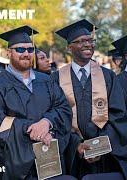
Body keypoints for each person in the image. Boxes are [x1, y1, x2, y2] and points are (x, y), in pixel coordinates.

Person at [0, 25, 73, 179]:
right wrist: (33, 130)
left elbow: (63, 108)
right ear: (8, 52)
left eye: (30, 49)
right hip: (14, 165)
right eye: (20, 50)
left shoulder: (46, 80)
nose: (26, 54)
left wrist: (47, 122)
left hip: (48, 161)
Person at [53, 19, 127, 179]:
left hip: (105, 154)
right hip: (71, 153)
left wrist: (100, 146)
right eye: (80, 41)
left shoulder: (108, 76)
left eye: (90, 40)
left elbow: (118, 114)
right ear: (69, 47)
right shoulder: (56, 78)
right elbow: (55, 116)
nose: (87, 44)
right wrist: (76, 145)